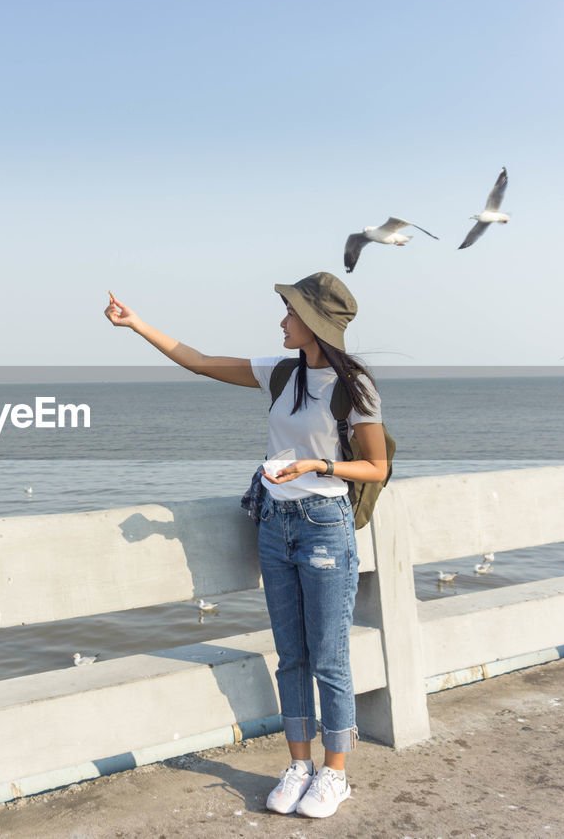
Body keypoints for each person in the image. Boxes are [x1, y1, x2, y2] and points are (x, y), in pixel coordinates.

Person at [104, 272, 387, 819]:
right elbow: (201, 361)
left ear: (313, 323)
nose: (281, 320)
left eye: (290, 312)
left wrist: (317, 465)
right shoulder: (284, 373)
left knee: (328, 657)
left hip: (325, 523)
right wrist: (136, 323)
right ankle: (299, 765)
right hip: (275, 523)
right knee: (291, 656)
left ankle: (335, 773)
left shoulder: (356, 387)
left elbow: (376, 466)